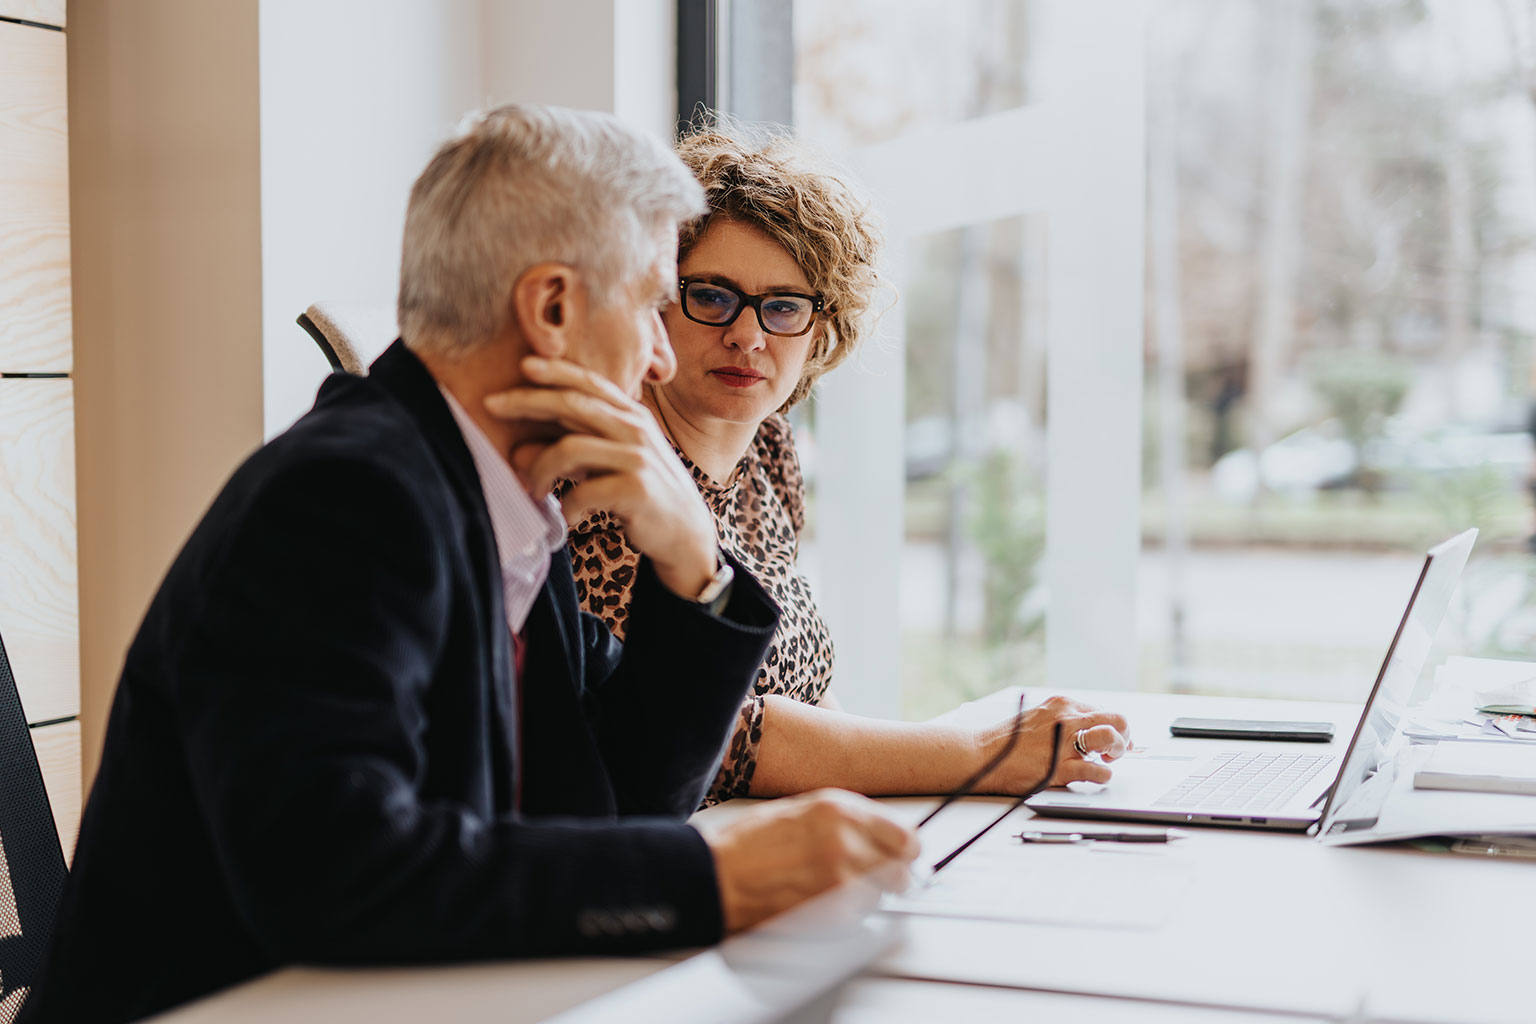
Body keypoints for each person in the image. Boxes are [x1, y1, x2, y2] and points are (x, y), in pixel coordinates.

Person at [20, 106, 918, 1024]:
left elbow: (619, 799)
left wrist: (693, 559)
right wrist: (717, 872)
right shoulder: (347, 496)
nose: (659, 356)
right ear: (553, 309)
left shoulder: (508, 500)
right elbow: (337, 873)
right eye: (654, 305)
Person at [567, 125, 1132, 806]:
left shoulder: (769, 449)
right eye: (712, 296)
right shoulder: (610, 463)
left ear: (820, 328)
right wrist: (983, 755)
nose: (747, 335)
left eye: (782, 307)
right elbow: (719, 734)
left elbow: (803, 699)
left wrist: (922, 800)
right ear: (655, 300)